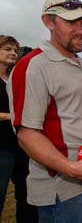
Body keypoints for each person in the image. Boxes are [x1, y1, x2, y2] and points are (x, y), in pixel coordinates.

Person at [6, 0, 82, 223]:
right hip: (64, 191)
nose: (80, 30)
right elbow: (26, 134)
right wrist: (73, 169)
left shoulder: (81, 63)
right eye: (70, 22)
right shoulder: (33, 66)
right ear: (48, 22)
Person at [0, 35, 38, 223]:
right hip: (2, 147)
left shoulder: (13, 78)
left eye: (15, 50)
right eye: (7, 49)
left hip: (22, 143)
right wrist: (11, 116)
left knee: (26, 193)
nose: (13, 53)